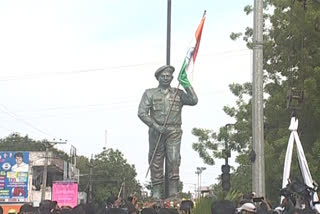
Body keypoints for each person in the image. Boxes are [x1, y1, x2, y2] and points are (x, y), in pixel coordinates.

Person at [138, 65, 198, 198]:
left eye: (168, 76)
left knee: (174, 159)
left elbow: (194, 100)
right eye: (163, 76)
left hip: (174, 130)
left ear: (172, 78)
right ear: (158, 78)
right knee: (156, 160)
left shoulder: (179, 93)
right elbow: (142, 113)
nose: (165, 78)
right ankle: (157, 192)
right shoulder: (150, 93)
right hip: (156, 130)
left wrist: (186, 84)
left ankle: (173, 191)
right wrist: (155, 126)